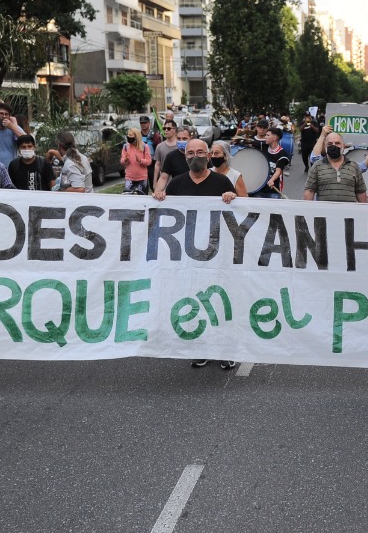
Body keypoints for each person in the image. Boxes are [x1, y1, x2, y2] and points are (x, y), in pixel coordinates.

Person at [154, 138, 239, 371]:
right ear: (185, 157)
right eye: (190, 152)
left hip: (217, 255)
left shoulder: (222, 182)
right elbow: (165, 216)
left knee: (221, 301)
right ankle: (202, 349)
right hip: (188, 258)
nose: (195, 156)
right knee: (195, 301)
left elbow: (243, 215)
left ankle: (225, 350)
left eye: (200, 152)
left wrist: (233, 199)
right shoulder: (177, 184)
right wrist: (160, 197)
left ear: (209, 156)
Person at [303, 130, 366, 203]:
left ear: (343, 145)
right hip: (324, 213)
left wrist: (366, 212)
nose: (334, 146)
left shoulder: (354, 166)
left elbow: (361, 193)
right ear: (325, 146)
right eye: (330, 144)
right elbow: (309, 192)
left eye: (337, 143)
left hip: (349, 213)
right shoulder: (317, 166)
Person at [0, 101, 27, 167]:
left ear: (9, 116)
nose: (4, 116)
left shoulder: (14, 128)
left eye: (6, 114)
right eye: (1, 113)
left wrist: (12, 127)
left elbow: (27, 140)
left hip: (11, 169)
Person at [256, 125, 290, 198]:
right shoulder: (264, 148)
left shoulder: (282, 153)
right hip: (260, 187)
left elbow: (278, 170)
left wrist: (272, 180)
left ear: (274, 138)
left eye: (268, 135)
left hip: (274, 188)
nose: (265, 137)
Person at [120, 126, 153, 195]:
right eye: (128, 135)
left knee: (142, 198)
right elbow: (122, 161)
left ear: (136, 137)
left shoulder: (144, 146)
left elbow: (149, 161)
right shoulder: (126, 146)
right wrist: (125, 160)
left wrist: (140, 160)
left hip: (142, 178)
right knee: (128, 198)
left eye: (130, 135)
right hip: (129, 178)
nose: (128, 137)